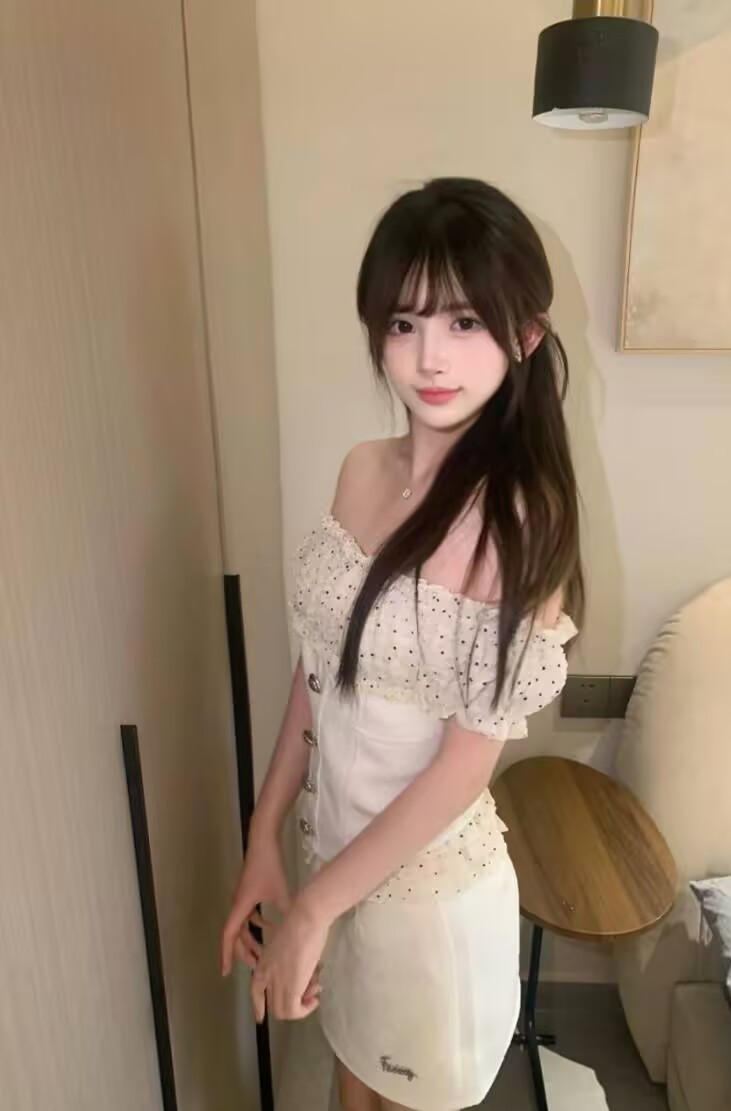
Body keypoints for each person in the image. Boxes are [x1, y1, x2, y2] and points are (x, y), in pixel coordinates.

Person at [221, 177, 584, 1111]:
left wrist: (313, 908)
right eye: (403, 322)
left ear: (525, 335)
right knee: (350, 1090)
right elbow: (318, 673)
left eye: (464, 321)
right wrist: (264, 834)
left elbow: (462, 769)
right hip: (335, 868)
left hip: (427, 907)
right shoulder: (359, 470)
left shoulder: (520, 525)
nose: (429, 356)